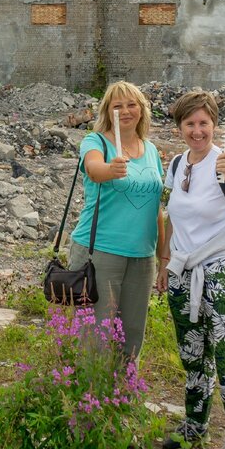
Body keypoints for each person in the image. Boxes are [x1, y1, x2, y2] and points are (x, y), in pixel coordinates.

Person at [155, 89, 225, 449]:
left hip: (223, 270)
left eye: (204, 123)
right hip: (184, 270)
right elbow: (168, 214)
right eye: (190, 124)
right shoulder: (177, 163)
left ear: (214, 125)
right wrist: (164, 262)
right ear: (180, 127)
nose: (197, 131)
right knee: (193, 354)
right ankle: (195, 426)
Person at [67, 81, 165, 360]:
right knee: (95, 340)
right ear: (107, 112)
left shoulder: (151, 150)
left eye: (131, 104)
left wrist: (163, 257)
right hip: (100, 252)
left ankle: (123, 397)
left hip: (142, 257)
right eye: (117, 105)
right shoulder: (95, 142)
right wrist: (112, 168)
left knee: (132, 336)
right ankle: (90, 399)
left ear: (141, 110)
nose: (125, 111)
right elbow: (94, 169)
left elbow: (155, 205)